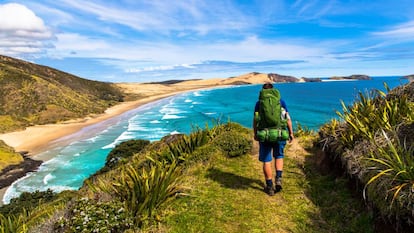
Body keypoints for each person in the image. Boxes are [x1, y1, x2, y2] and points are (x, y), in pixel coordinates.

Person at [253, 82, 294, 196]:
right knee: (279, 156)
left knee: (267, 160)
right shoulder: (281, 102)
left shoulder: (259, 104)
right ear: (273, 91)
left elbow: (256, 120)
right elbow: (287, 118)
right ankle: (279, 179)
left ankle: (270, 186)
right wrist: (291, 133)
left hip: (264, 135)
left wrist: (255, 133)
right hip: (280, 133)